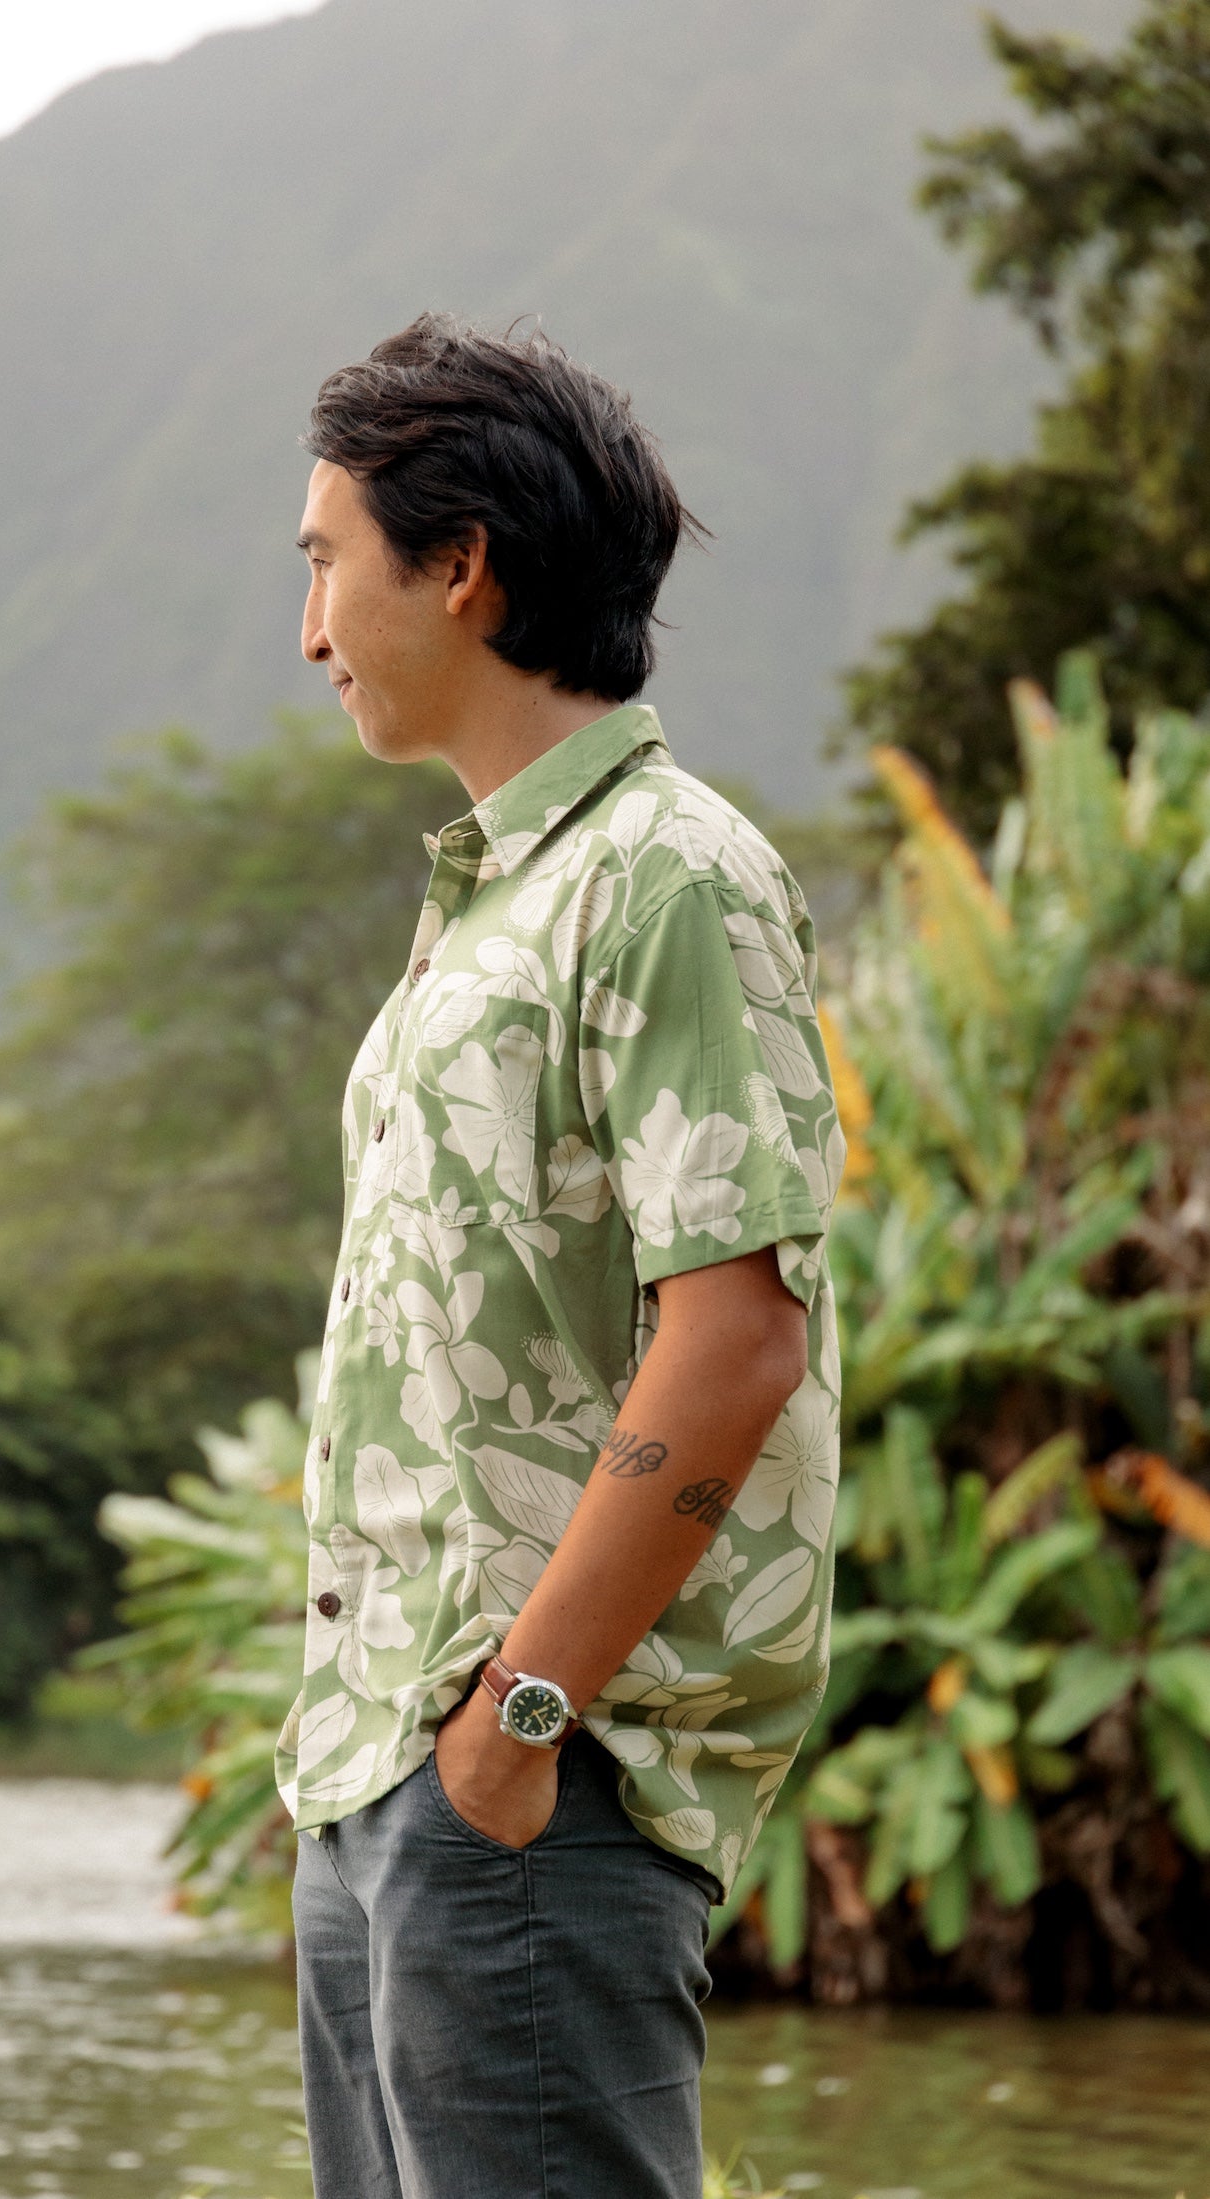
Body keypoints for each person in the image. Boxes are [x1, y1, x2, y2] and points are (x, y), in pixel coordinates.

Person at [279, 313, 842, 2199]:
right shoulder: (491, 898)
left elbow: (737, 1339)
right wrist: (415, 1766)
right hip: (387, 1771)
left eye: (327, 565)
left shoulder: (666, 875)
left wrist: (518, 1727)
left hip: (535, 1779)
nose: (310, 631)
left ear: (460, 565)